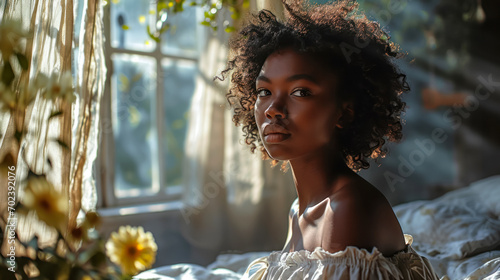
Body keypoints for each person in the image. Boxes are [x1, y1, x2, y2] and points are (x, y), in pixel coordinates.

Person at [219, 0, 440, 279]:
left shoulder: (346, 207)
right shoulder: (298, 210)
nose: (272, 108)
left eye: (300, 92)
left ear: (344, 113)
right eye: (264, 91)